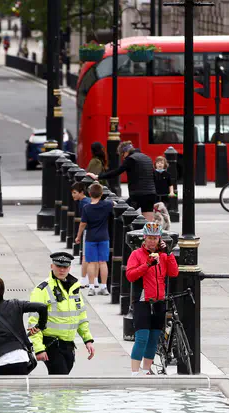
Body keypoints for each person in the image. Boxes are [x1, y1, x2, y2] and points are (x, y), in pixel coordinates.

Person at [28, 252, 95, 375]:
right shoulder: (42, 290)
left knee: (62, 385)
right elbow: (33, 322)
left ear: (69, 268)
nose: (62, 270)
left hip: (68, 345)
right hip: (51, 344)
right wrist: (38, 348)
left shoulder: (74, 288)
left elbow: (80, 315)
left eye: (65, 267)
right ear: (52, 266)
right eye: (59, 266)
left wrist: (88, 340)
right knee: (60, 381)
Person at [125, 222, 179, 375]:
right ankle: (135, 372)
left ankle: (146, 369)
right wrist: (147, 265)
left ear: (159, 239)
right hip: (142, 301)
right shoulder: (136, 254)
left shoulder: (162, 255)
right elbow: (130, 275)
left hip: (159, 301)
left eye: (155, 238)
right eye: (149, 238)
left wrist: (168, 254)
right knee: (142, 337)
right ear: (144, 237)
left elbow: (174, 273)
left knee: (154, 338)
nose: (152, 241)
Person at [0, 276, 48, 375]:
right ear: (3, 291)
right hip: (20, 359)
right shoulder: (16, 304)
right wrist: (40, 326)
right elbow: (42, 307)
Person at [87, 141, 156, 221]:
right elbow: (153, 176)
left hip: (137, 194)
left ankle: (123, 233)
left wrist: (98, 177)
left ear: (125, 151)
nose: (123, 158)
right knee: (147, 222)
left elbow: (116, 172)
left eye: (122, 155)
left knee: (121, 214)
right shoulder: (147, 158)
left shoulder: (131, 158)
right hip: (151, 194)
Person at [75, 183, 113, 297]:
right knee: (103, 262)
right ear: (101, 194)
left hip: (91, 237)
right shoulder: (107, 205)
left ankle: (91, 287)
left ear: (89, 194)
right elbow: (114, 204)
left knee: (91, 262)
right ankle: (104, 287)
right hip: (104, 237)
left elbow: (82, 224)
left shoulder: (87, 208)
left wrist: (78, 236)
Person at [71, 182, 92, 292]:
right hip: (96, 231)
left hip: (89, 231)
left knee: (85, 256)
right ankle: (91, 280)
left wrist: (78, 236)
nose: (73, 195)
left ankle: (84, 280)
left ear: (81, 192)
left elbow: (83, 222)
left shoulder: (83, 203)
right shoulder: (87, 201)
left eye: (75, 193)